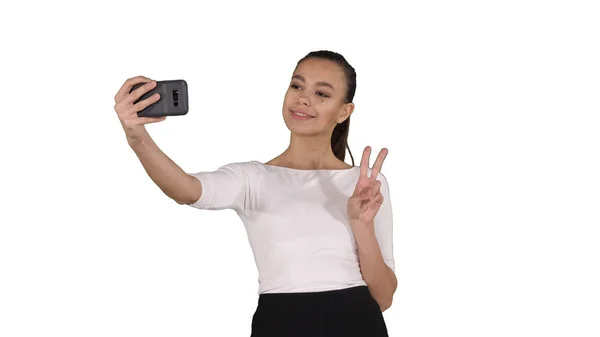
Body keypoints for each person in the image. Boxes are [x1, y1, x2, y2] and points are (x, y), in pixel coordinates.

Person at [113, 50, 397, 337]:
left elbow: (384, 298)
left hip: (357, 322)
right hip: (281, 322)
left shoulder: (366, 184)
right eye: (296, 86)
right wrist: (137, 138)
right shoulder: (253, 179)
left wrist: (361, 224)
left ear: (344, 111)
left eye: (321, 93)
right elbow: (185, 189)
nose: (303, 98)